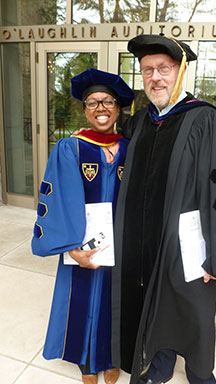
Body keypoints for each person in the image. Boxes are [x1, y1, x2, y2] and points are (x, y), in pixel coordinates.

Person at [109, 34, 216, 384]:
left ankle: (199, 374)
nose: (155, 78)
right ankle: (158, 366)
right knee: (152, 306)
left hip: (189, 249)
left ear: (180, 72)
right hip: (144, 245)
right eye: (147, 70)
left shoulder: (204, 120)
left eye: (163, 68)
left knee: (193, 316)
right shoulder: (141, 122)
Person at [31, 68, 135, 384]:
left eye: (108, 102)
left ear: (118, 109)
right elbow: (56, 198)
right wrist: (72, 249)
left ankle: (111, 356)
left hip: (119, 245)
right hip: (81, 246)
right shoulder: (70, 147)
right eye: (93, 102)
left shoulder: (130, 148)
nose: (101, 108)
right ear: (85, 109)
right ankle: (87, 363)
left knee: (114, 301)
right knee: (81, 299)